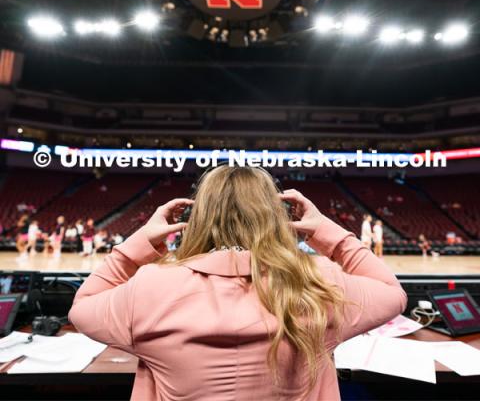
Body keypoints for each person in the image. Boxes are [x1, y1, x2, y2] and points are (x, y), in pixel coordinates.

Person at [69, 166, 407, 401]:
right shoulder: (319, 283)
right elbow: (392, 293)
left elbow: (82, 308)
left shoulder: (150, 286)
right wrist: (325, 232)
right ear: (275, 219)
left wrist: (136, 245)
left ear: (197, 218)